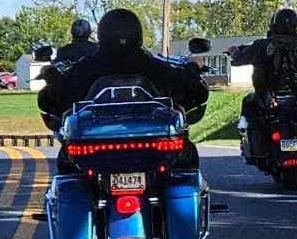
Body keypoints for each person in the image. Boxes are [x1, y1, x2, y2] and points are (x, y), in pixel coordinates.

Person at [38, 8, 209, 155]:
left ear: (102, 34)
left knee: (68, 160)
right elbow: (194, 92)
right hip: (152, 145)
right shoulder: (153, 67)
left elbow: (53, 97)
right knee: (185, 156)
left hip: (96, 146)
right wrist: (192, 68)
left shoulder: (86, 69)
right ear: (137, 33)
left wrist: (51, 75)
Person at [231, 7, 297, 152]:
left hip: (269, 99)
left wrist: (235, 52)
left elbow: (239, 59)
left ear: (274, 24)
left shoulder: (261, 46)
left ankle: (251, 147)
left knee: (248, 104)